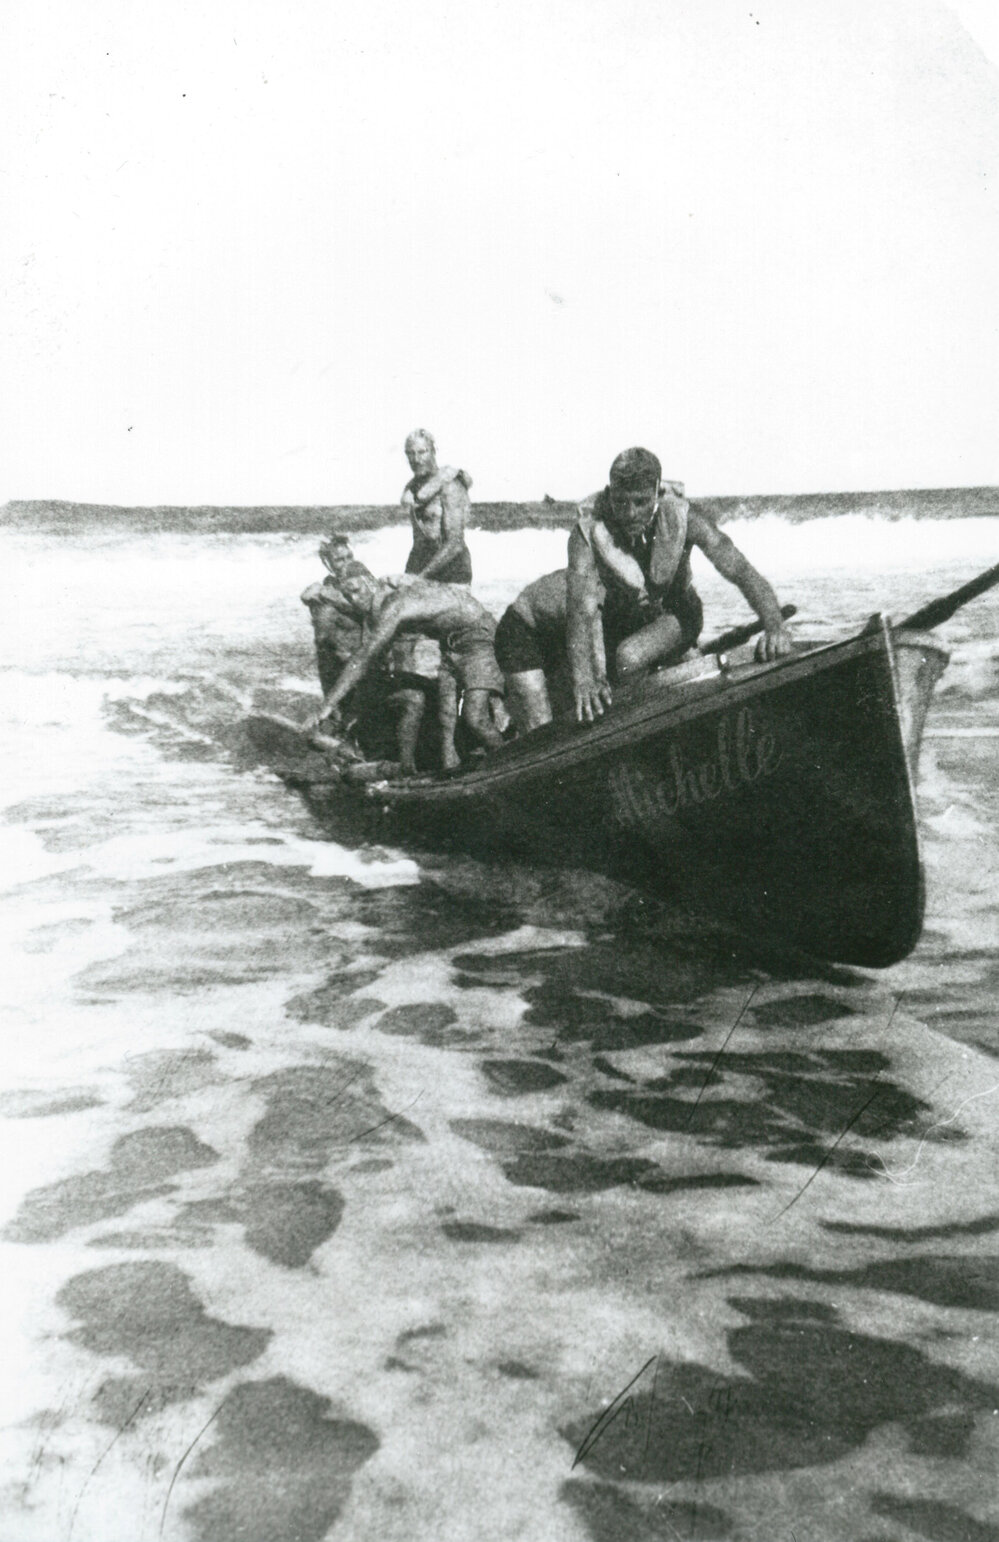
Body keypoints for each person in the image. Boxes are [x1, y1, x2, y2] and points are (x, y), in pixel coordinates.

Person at [567, 447, 793, 722]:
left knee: (629, 657)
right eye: (621, 502)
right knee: (589, 676)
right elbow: (579, 606)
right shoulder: (586, 531)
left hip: (679, 615)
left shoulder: (685, 517)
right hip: (622, 621)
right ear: (608, 492)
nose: (630, 513)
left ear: (658, 493)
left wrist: (774, 626)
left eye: (640, 502)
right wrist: (584, 680)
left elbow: (739, 570)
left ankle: (646, 719)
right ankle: (674, 663)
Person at [305, 576, 506, 775]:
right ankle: (450, 775)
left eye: (356, 590)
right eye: (349, 596)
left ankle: (505, 763)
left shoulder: (396, 605)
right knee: (447, 718)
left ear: (372, 584)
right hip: (450, 646)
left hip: (479, 639)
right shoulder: (387, 601)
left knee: (475, 718)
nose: (355, 599)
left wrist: (327, 706)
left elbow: (365, 656)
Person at [401, 428, 473, 583]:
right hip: (423, 566)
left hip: (452, 571)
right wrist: (408, 574)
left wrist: (419, 578)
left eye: (422, 452)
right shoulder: (413, 488)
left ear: (433, 452)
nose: (416, 459)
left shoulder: (450, 486)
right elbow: (419, 542)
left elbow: (455, 544)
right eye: (410, 454)